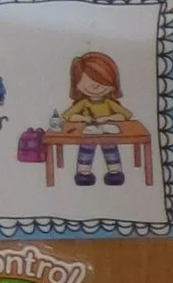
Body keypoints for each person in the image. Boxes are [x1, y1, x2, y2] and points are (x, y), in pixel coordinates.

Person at [53, 51, 141, 190]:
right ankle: (83, 173)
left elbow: (125, 115)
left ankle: (114, 172)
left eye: (101, 81)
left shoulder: (109, 102)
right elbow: (68, 116)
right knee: (86, 149)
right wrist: (84, 118)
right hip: (89, 131)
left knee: (110, 148)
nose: (95, 86)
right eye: (89, 81)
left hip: (107, 131)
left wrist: (108, 118)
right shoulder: (83, 103)